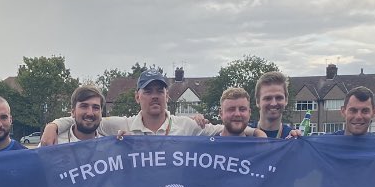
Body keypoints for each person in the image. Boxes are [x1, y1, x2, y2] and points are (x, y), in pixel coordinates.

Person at [39, 69, 261, 142]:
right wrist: (54, 125)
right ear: (137, 97)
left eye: (159, 91)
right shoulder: (120, 124)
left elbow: (226, 128)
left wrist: (257, 132)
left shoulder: (188, 126)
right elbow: (88, 118)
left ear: (167, 96)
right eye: (148, 91)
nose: (154, 97)